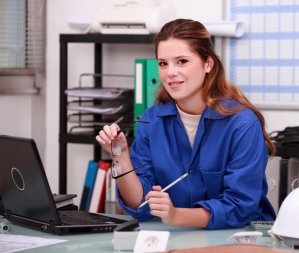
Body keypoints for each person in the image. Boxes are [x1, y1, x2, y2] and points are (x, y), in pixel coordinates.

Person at [96, 18, 276, 229]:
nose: (170, 72)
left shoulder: (242, 124)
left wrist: (176, 216)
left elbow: (240, 206)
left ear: (208, 64)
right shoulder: (151, 120)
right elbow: (140, 203)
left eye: (182, 61)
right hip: (177, 236)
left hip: (240, 237)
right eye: (163, 63)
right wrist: (120, 156)